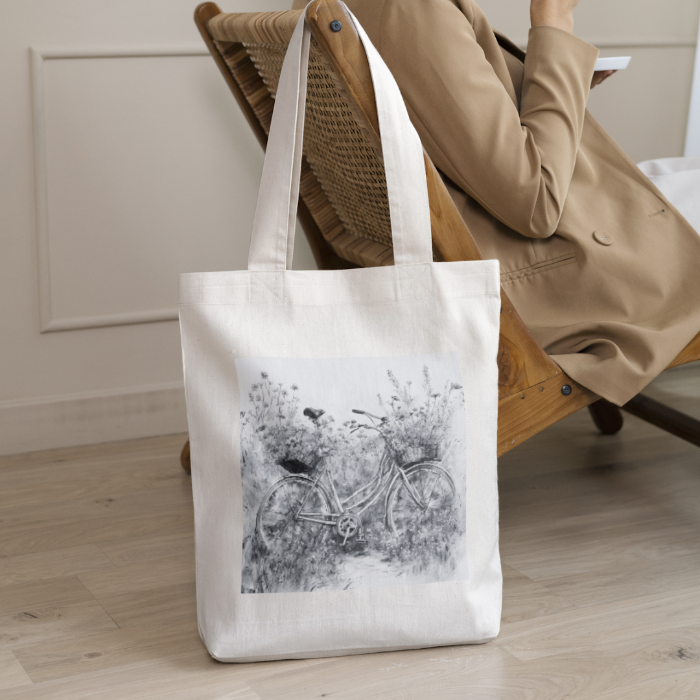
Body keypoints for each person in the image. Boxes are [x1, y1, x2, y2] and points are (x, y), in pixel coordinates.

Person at [291, 0, 700, 406]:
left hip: (473, 245)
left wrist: (552, 80)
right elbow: (535, 202)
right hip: (536, 277)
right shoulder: (412, 8)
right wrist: (554, 19)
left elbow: (438, 128)